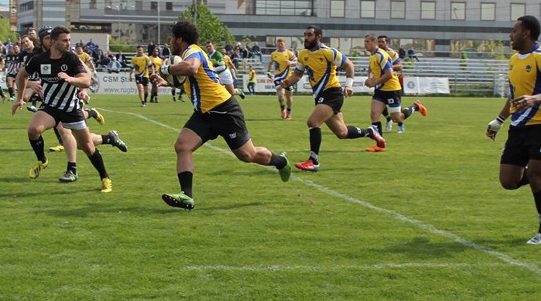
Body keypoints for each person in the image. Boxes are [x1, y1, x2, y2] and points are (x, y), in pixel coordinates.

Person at [150, 21, 291, 210]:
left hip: (224, 110)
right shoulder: (187, 55)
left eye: (172, 38)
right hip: (204, 114)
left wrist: (165, 69)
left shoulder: (193, 51)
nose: (170, 42)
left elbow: (191, 68)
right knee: (182, 146)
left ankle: (281, 161)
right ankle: (186, 196)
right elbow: (194, 83)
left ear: (179, 39)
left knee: (248, 155)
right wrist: (167, 83)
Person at [486, 15, 541, 245]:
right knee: (508, 181)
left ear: (526, 33)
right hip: (518, 127)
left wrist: (537, 98)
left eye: (514, 30)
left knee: (536, 177)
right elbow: (514, 96)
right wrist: (499, 120)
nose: (510, 35)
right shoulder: (514, 60)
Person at [12, 26, 113, 193]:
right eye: (65, 40)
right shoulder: (39, 59)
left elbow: (86, 81)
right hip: (50, 107)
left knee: (87, 147)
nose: (68, 43)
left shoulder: (72, 58)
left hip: (70, 108)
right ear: (53, 42)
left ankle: (105, 178)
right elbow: (22, 75)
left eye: (69, 40)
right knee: (33, 130)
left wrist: (71, 79)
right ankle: (42, 160)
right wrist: (19, 99)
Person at [281, 26, 385, 172]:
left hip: (332, 94)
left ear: (318, 37)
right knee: (342, 133)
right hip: (320, 96)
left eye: (310, 35)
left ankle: (313, 161)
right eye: (305, 35)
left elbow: (349, 65)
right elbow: (298, 74)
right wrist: (287, 82)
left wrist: (348, 85)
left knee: (313, 122)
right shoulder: (303, 54)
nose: (306, 38)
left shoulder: (328, 52)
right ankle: (370, 132)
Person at [363, 33, 426, 151]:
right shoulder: (372, 55)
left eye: (367, 42)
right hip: (380, 90)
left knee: (397, 118)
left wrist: (374, 82)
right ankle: (380, 145)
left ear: (374, 42)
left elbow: (389, 74)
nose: (365, 44)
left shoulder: (381, 55)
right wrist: (370, 78)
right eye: (365, 42)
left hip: (392, 89)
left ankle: (416, 107)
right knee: (374, 114)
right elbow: (371, 68)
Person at [377, 34, 405, 133]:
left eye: (382, 42)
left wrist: (388, 67)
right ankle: (388, 118)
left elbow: (400, 66)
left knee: (396, 110)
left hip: (392, 84)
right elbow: (371, 66)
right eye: (379, 42)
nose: (380, 43)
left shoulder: (392, 53)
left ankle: (400, 123)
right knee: (378, 105)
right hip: (379, 83)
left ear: (387, 43)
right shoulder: (375, 53)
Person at [267, 38, 298, 119]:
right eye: (278, 44)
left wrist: (291, 62)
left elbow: (297, 62)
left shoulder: (289, 53)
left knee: (289, 96)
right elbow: (271, 63)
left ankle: (289, 111)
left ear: (285, 44)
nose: (280, 45)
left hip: (288, 78)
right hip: (278, 77)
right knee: (280, 94)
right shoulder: (273, 54)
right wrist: (268, 72)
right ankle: (282, 109)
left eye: (281, 44)